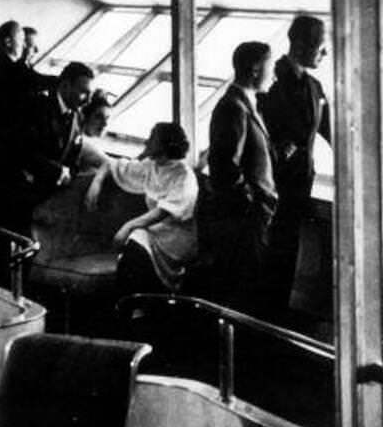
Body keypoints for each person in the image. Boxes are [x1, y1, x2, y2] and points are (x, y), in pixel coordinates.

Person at [260, 15, 330, 315]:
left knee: (287, 250)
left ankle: (276, 314)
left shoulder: (314, 86)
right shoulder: (272, 82)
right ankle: (266, 317)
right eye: (321, 47)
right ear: (301, 45)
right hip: (273, 183)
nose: (324, 54)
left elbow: (329, 130)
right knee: (272, 252)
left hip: (300, 182)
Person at [86, 122, 199, 295]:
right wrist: (97, 181)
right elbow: (113, 164)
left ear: (165, 144)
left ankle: (139, 305)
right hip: (156, 232)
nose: (147, 142)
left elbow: (163, 212)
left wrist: (128, 226)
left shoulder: (184, 175)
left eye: (152, 138)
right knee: (134, 248)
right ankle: (129, 305)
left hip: (176, 239)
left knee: (135, 244)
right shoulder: (151, 166)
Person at [206, 41, 277, 313]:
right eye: (270, 67)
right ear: (256, 69)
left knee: (248, 286)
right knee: (240, 290)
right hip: (242, 219)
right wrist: (251, 200)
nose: (274, 74)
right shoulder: (233, 107)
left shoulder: (248, 104)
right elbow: (223, 166)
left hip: (249, 215)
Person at [11, 61, 95, 209]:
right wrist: (58, 172)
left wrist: (69, 174)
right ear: (65, 86)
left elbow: (74, 159)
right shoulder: (35, 107)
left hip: (52, 197)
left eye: (90, 94)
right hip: (21, 193)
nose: (88, 100)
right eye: (83, 92)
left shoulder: (78, 117)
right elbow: (21, 151)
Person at [77, 89, 113, 174]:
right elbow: (112, 167)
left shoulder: (93, 140)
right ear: (85, 117)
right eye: (99, 117)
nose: (105, 124)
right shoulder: (83, 143)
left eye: (107, 118)